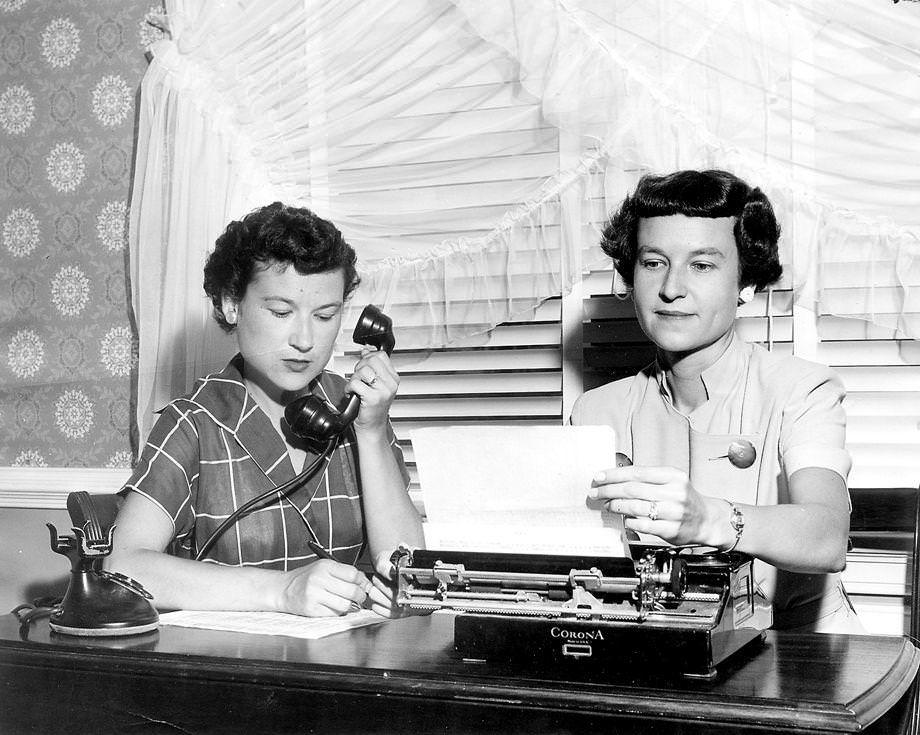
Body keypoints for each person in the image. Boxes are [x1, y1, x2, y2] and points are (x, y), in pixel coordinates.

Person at [571, 170, 862, 633]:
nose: (671, 288)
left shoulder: (803, 389)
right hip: (664, 645)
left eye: (702, 265)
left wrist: (709, 518)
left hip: (800, 650)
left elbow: (828, 538)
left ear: (746, 284)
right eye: (653, 262)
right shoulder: (595, 412)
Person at [106, 202, 423, 617]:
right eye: (281, 312)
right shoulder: (193, 422)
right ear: (231, 304)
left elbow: (409, 571)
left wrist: (372, 432)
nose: (305, 340)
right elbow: (123, 566)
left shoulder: (354, 410)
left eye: (325, 315)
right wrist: (282, 591)